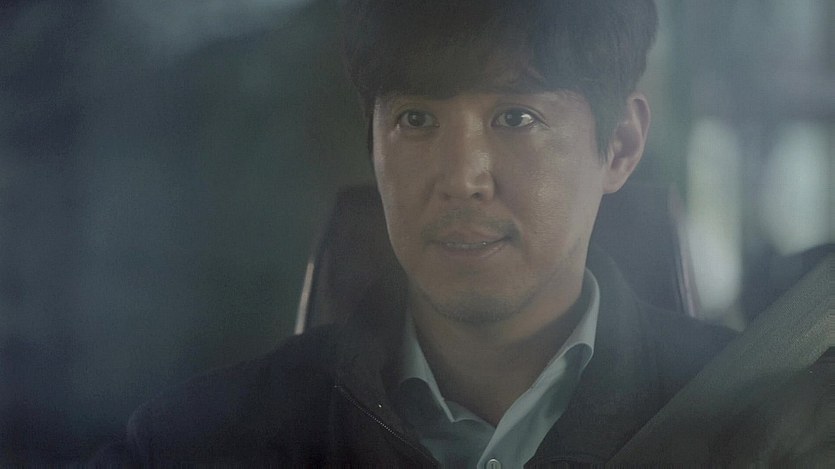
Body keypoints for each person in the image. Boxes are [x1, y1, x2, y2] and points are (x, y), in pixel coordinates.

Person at [95, 0, 735, 465]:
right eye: (417, 119)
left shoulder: (752, 421)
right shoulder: (201, 444)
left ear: (619, 145)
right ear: (373, 144)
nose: (461, 179)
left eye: (516, 117)